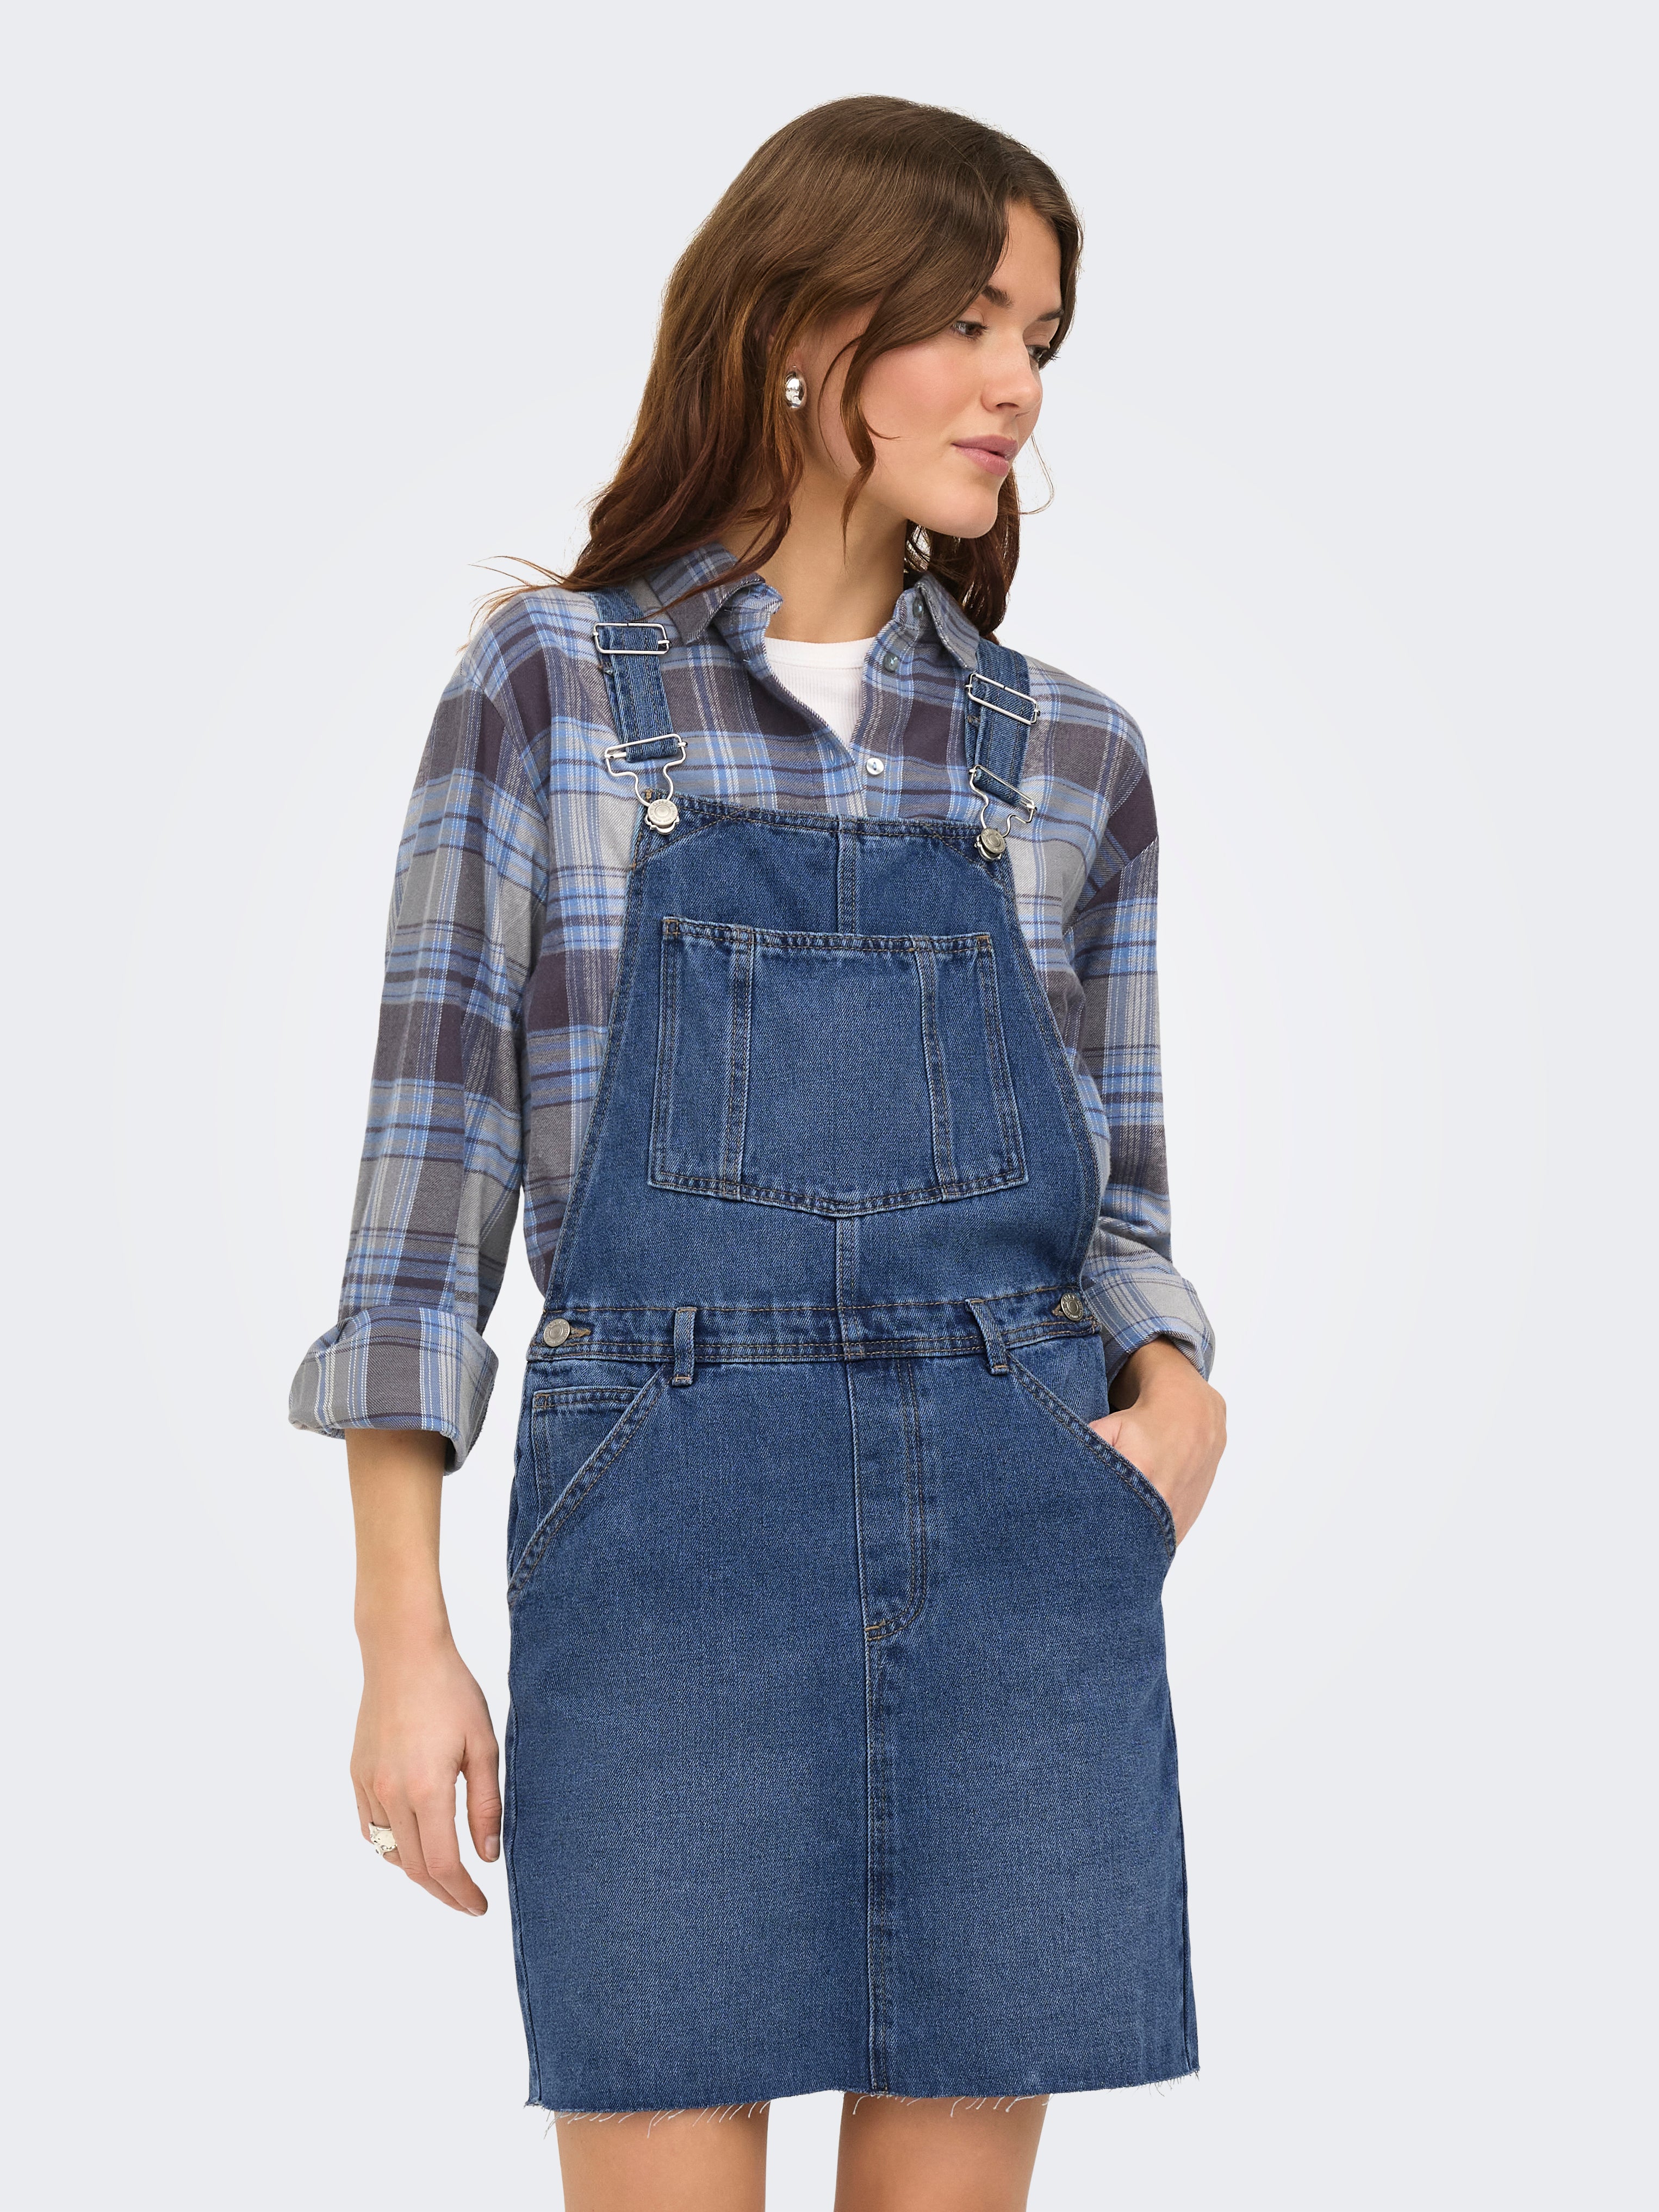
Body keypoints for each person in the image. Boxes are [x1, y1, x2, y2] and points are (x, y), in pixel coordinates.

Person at [291, 94, 1227, 2212]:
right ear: (805, 329)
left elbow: (1122, 1203)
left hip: (1017, 1523)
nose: (1013, 384)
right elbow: (425, 1199)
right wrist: (399, 1640)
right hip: (667, 1521)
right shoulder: (550, 688)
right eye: (966, 321)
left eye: (1039, 338)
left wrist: (1176, 1395)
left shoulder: (1069, 754)